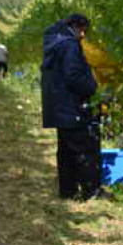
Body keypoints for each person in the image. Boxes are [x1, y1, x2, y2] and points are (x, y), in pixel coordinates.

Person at [41, 14, 102, 200]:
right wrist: (92, 87)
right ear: (74, 26)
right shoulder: (69, 45)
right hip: (71, 106)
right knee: (83, 148)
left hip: (59, 107)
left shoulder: (55, 43)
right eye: (82, 30)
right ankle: (90, 192)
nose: (83, 35)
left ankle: (67, 192)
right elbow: (73, 75)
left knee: (66, 151)